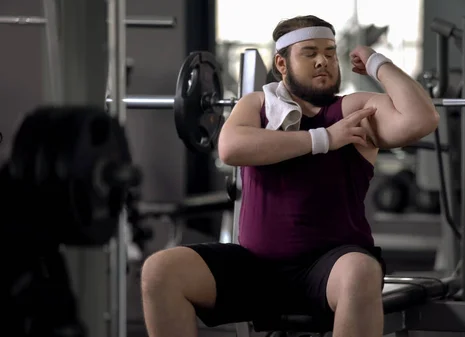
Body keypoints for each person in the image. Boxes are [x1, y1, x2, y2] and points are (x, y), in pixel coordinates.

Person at [141, 15, 438, 337]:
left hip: (330, 270)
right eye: (309, 53)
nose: (323, 60)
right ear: (282, 64)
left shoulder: (352, 110)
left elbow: (420, 119)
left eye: (330, 51)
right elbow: (230, 147)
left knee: (361, 270)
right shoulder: (257, 105)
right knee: (160, 270)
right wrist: (325, 139)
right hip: (255, 268)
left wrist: (376, 61)